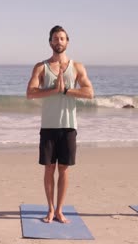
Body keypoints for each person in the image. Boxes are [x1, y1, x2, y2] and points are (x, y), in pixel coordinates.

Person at [26, 25, 93, 223]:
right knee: (49, 169)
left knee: (64, 169)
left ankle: (60, 210)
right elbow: (30, 93)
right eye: (55, 38)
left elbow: (89, 93)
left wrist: (65, 91)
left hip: (68, 126)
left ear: (67, 42)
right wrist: (54, 90)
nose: (59, 42)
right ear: (50, 42)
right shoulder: (41, 67)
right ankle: (49, 209)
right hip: (48, 126)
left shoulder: (77, 67)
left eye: (62, 38)